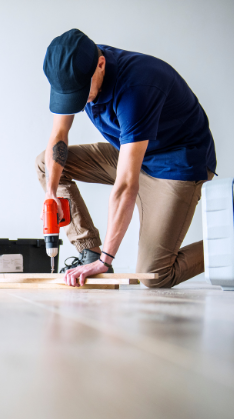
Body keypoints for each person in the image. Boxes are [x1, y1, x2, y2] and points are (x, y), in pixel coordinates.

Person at [37, 29, 216, 288]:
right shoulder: (76, 66)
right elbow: (59, 135)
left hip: (175, 165)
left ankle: (229, 241)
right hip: (131, 151)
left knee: (155, 275)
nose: (78, 102)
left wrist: (107, 262)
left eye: (79, 94)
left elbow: (125, 186)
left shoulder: (137, 87)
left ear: (101, 65)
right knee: (46, 163)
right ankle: (90, 252)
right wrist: (51, 193)